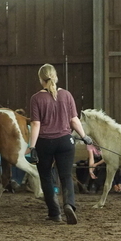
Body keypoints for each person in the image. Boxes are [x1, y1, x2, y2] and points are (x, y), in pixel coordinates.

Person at [28, 63, 92, 224]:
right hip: (65, 141)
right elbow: (74, 120)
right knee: (65, 176)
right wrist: (85, 137)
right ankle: (69, 204)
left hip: (45, 143)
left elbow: (36, 124)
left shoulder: (36, 98)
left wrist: (32, 146)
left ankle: (55, 213)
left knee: (47, 177)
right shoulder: (67, 95)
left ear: (40, 79)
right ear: (55, 77)